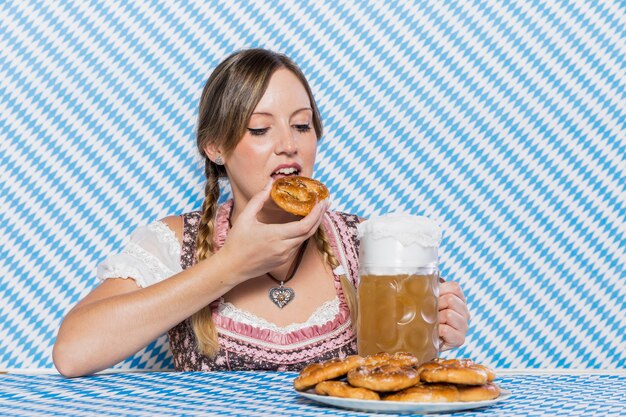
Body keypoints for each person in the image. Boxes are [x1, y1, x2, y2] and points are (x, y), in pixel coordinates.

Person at [53, 48, 470, 377]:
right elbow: (73, 353)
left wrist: (434, 333)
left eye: (302, 125)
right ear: (215, 147)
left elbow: (397, 379)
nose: (288, 144)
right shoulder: (176, 241)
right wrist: (233, 264)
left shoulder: (369, 242)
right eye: (259, 128)